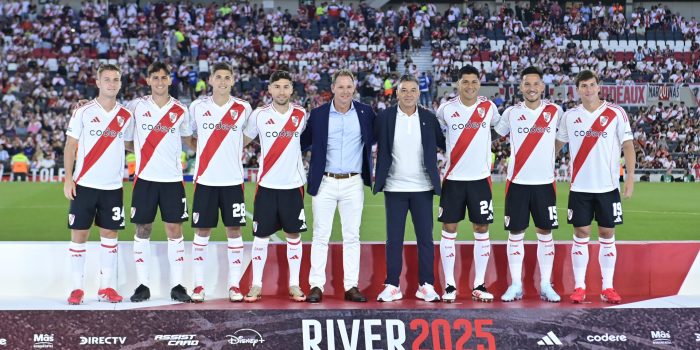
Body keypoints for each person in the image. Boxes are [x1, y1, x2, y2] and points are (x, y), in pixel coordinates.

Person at [555, 70, 635, 304]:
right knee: (580, 234)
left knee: (607, 234)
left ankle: (607, 287)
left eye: (592, 85)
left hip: (608, 188)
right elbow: (557, 145)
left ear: (598, 87)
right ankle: (579, 286)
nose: (588, 90)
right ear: (577, 90)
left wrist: (630, 178)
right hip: (579, 187)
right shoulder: (570, 116)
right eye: (583, 86)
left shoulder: (616, 113)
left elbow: (628, 146)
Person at [301, 69, 375, 303]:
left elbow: (377, 138)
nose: (345, 91)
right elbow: (302, 143)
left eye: (349, 87)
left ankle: (351, 285)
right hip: (325, 182)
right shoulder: (319, 114)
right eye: (340, 86)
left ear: (355, 89)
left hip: (353, 182)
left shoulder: (366, 113)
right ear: (332, 88)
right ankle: (316, 285)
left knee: (352, 236)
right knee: (320, 235)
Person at [123, 62, 194, 303]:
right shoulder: (136, 106)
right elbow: (125, 138)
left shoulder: (180, 109)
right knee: (143, 229)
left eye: (164, 77)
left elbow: (188, 140)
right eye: (155, 77)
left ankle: (177, 285)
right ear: (148, 80)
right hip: (145, 179)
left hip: (173, 180)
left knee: (175, 230)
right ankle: (142, 285)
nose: (160, 81)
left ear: (170, 80)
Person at [64, 64, 133, 305]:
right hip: (84, 184)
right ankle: (76, 289)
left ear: (120, 83)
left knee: (110, 236)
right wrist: (68, 178)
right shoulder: (83, 112)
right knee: (79, 235)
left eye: (116, 79)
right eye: (107, 79)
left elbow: (135, 143)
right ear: (98, 82)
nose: (111, 83)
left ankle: (107, 288)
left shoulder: (126, 116)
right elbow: (70, 146)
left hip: (113, 187)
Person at [493, 66, 563, 303]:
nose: (531, 88)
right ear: (521, 87)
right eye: (527, 84)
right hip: (517, 183)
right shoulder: (511, 113)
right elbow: (492, 135)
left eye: (535, 84)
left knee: (545, 233)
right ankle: (515, 285)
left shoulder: (555, 111)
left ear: (542, 86)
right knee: (516, 233)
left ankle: (545, 284)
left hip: (545, 183)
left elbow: (562, 138)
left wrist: (547, 157)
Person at [373, 74, 445, 302]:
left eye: (413, 90)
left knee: (426, 239)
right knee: (393, 240)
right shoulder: (385, 117)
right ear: (396, 93)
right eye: (404, 90)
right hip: (394, 187)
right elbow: (369, 141)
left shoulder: (428, 118)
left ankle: (426, 285)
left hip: (423, 187)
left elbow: (447, 144)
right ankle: (392, 285)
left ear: (418, 92)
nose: (408, 94)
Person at [435, 65, 501, 303]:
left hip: (480, 180)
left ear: (479, 84)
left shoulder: (488, 108)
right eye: (465, 82)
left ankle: (479, 284)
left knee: (482, 230)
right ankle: (450, 285)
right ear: (458, 84)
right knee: (448, 230)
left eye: (474, 82)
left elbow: (500, 130)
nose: (470, 86)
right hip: (453, 180)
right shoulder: (446, 109)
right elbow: (436, 134)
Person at [187, 62, 253, 302]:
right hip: (205, 179)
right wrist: (205, 151)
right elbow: (188, 135)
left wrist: (232, 149)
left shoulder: (244, 108)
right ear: (211, 80)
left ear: (233, 81)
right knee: (201, 230)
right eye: (219, 77)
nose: (223, 81)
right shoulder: (197, 107)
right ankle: (198, 285)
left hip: (233, 181)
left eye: (227, 77)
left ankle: (234, 285)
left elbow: (248, 136)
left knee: (233, 230)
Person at [242, 70, 308, 302]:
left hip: (293, 187)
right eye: (277, 86)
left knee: (294, 236)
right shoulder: (259, 115)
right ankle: (256, 284)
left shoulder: (301, 114)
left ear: (292, 89)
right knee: (261, 237)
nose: (281, 91)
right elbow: (242, 141)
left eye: (286, 86)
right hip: (267, 186)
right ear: (269, 89)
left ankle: (295, 284)